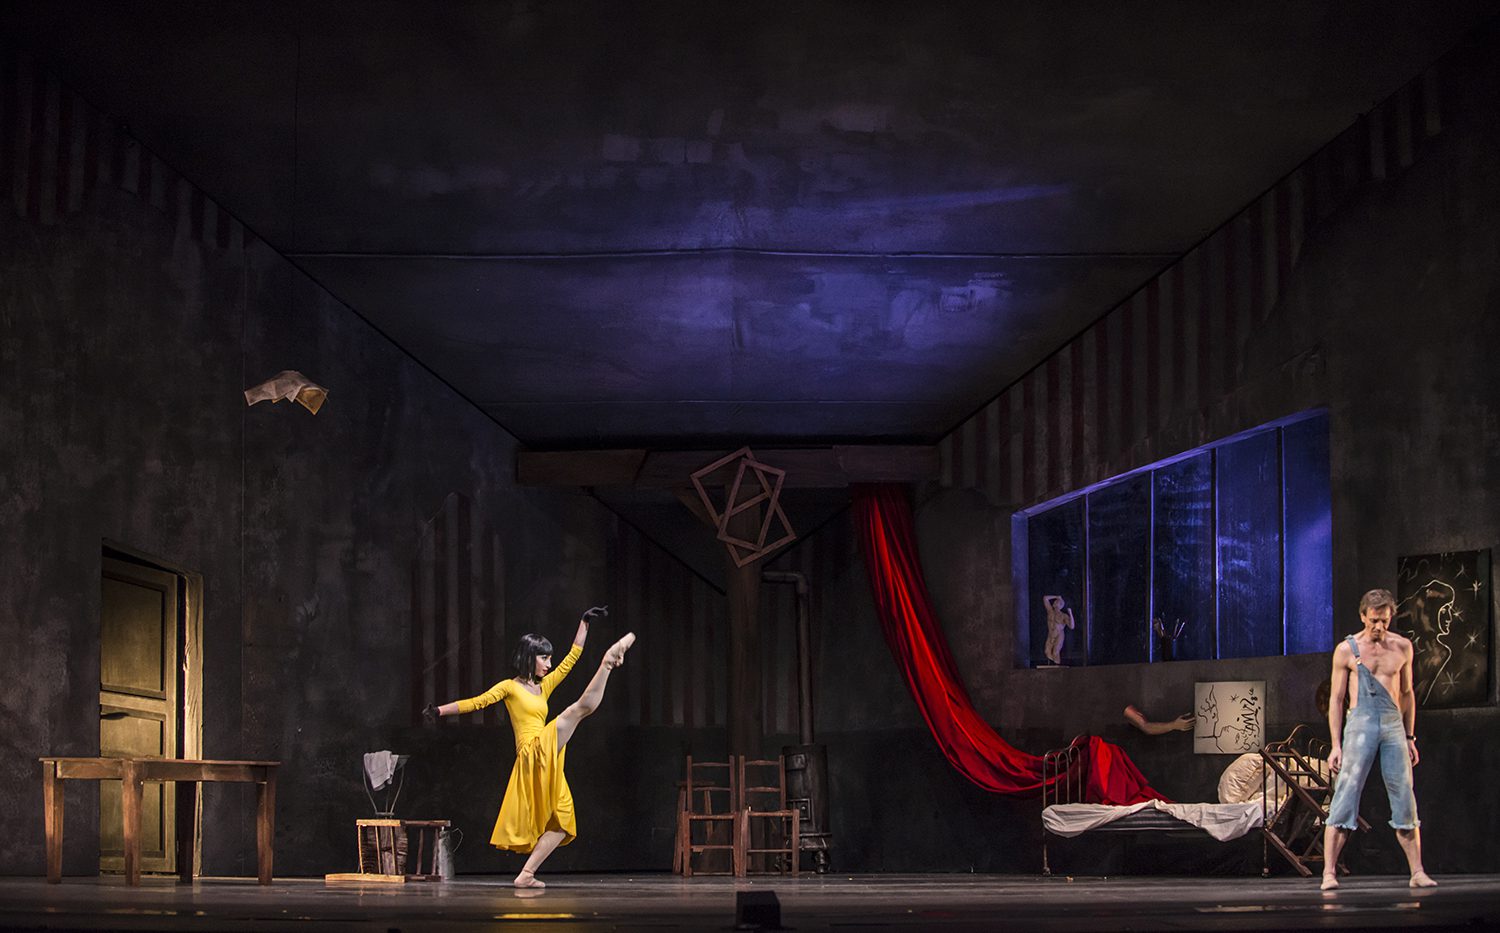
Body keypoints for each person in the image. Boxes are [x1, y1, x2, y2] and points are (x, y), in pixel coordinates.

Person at [424, 605, 636, 888]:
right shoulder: (509, 688)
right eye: (544, 657)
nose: (549, 664)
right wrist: (439, 710)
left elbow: (572, 657)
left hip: (548, 756)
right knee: (576, 711)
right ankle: (607, 664)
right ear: (528, 657)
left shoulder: (543, 686)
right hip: (531, 751)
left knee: (564, 822)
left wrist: (584, 622)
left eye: (549, 658)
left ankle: (526, 874)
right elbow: (476, 702)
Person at [1320, 588, 1435, 890]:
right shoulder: (1347, 650)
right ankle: (1329, 873)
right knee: (1345, 793)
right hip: (1360, 724)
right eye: (1374, 620)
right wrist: (1335, 745)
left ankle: (1417, 872)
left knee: (1404, 794)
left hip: (1393, 725)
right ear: (1363, 616)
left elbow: (1407, 694)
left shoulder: (1402, 647)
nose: (1379, 626)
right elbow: (1336, 699)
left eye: (1384, 620)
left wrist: (1409, 737)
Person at [1042, 595, 1074, 665]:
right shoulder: (1050, 611)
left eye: (1058, 602)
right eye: (1055, 602)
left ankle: (1057, 666)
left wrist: (1070, 613)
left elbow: (1072, 626)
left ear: (1061, 605)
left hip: (1059, 634)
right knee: (1047, 651)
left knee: (1055, 652)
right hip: (1050, 634)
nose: (1055, 603)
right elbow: (1045, 598)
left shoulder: (1063, 616)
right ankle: (1054, 665)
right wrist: (1056, 597)